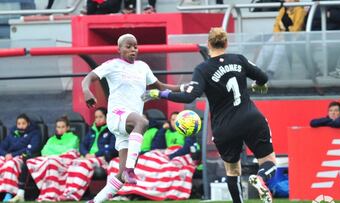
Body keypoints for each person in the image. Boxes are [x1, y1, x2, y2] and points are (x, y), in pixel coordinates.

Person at [142, 27, 277, 203]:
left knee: (233, 171)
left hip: (224, 127)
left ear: (208, 45)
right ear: (226, 43)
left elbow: (189, 95)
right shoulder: (239, 59)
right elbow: (263, 77)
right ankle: (261, 178)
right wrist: (259, 84)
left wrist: (161, 94)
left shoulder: (203, 69)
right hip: (251, 118)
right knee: (269, 162)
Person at [81, 33, 183, 203]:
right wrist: (86, 90)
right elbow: (89, 77)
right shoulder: (113, 65)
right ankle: (130, 169)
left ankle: (94, 201)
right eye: (128, 46)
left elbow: (161, 86)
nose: (132, 49)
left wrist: (184, 87)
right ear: (119, 49)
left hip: (128, 128)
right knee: (142, 121)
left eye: (135, 46)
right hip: (117, 116)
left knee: (120, 177)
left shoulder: (143, 67)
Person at [58, 107, 117, 201]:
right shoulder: (92, 130)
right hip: (89, 158)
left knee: (83, 164)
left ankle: (73, 194)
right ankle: (70, 192)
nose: (97, 119)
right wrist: (86, 154)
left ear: (107, 117)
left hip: (103, 159)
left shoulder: (111, 130)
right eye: (96, 117)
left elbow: (113, 148)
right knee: (74, 162)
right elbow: (82, 145)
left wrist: (96, 154)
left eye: (100, 117)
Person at [27, 116, 80, 202]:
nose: (60, 129)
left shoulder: (74, 138)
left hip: (66, 162)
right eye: (58, 127)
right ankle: (48, 192)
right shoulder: (51, 139)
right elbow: (44, 151)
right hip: (51, 160)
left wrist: (54, 151)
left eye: (63, 127)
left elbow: (69, 149)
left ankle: (52, 194)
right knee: (31, 161)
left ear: (68, 127)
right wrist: (58, 151)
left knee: (51, 161)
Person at [255, 0, 306, 79]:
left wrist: (285, 34)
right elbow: (276, 24)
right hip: (280, 35)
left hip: (292, 36)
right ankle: (255, 69)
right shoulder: (283, 9)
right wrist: (276, 34)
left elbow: (297, 27)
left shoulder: (300, 10)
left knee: (280, 46)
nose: (286, 1)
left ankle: (271, 70)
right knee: (267, 47)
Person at [0, 113, 41, 202]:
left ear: (28, 124)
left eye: (23, 123)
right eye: (19, 124)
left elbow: (33, 148)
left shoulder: (35, 133)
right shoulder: (12, 134)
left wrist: (13, 155)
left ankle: (9, 193)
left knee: (11, 164)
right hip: (8, 156)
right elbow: (1, 146)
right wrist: (6, 154)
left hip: (22, 157)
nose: (21, 126)